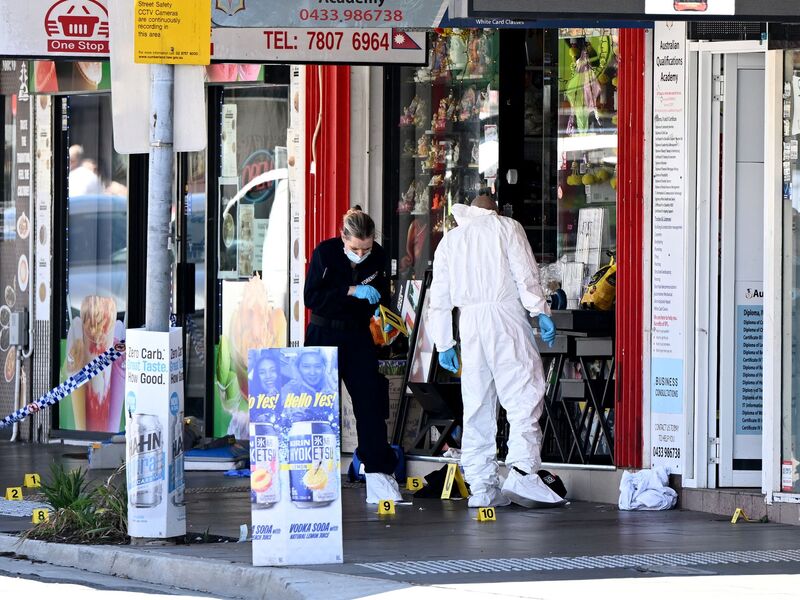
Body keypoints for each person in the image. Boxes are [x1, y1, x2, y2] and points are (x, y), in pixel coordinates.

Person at [428, 192, 564, 508]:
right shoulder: (507, 227)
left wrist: (444, 342)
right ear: (496, 210)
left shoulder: (450, 241)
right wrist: (540, 310)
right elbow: (525, 274)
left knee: (477, 404)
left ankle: (482, 488)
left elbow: (440, 298)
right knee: (523, 393)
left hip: (469, 324)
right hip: (505, 317)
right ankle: (522, 472)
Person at [304, 207, 402, 504]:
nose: (361, 253)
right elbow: (312, 297)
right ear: (343, 237)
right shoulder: (325, 253)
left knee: (370, 403)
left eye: (366, 248)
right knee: (319, 407)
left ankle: (379, 475)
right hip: (324, 333)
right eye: (355, 248)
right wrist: (350, 290)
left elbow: (382, 294)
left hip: (359, 335)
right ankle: (314, 475)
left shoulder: (378, 256)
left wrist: (384, 316)